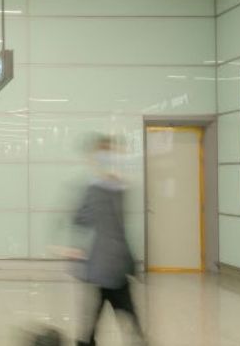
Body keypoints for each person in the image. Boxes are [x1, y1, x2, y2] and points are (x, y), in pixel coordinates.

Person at [74, 134, 146, 346]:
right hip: (108, 263)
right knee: (119, 306)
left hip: (109, 263)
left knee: (107, 305)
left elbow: (83, 219)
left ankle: (87, 341)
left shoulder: (111, 188)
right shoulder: (106, 189)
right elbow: (84, 219)